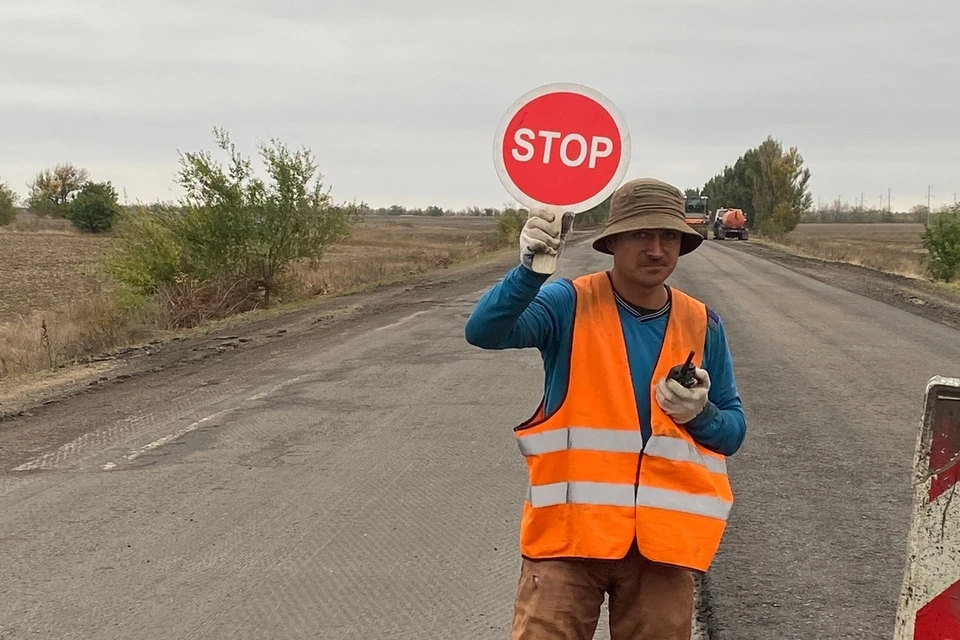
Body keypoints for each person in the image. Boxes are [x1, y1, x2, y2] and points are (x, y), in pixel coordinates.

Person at [464, 177, 746, 640]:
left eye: (668, 236)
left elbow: (733, 431)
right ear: (613, 240)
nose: (656, 249)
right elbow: (484, 331)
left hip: (662, 552)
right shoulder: (567, 304)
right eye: (641, 234)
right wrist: (530, 271)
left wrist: (701, 415)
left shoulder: (702, 323)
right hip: (567, 543)